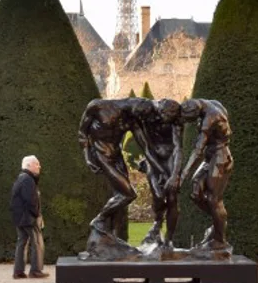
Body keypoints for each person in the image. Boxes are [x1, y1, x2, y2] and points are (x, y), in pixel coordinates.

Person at [174, 99, 234, 252]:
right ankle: (218, 223)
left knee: (214, 200)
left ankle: (220, 240)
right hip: (211, 157)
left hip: (220, 158)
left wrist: (182, 174)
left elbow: (198, 150)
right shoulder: (210, 104)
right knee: (196, 193)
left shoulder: (210, 117)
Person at [77, 98, 141, 236]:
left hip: (117, 156)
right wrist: (88, 158)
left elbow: (143, 142)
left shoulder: (132, 118)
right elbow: (82, 134)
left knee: (119, 197)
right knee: (128, 194)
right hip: (101, 154)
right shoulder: (98, 106)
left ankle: (115, 236)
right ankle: (99, 219)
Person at [129, 98, 183, 248]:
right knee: (158, 196)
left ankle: (169, 239)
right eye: (165, 115)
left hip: (170, 159)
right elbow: (146, 146)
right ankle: (157, 223)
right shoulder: (145, 115)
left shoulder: (175, 120)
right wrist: (160, 171)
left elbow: (178, 148)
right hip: (153, 159)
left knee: (172, 198)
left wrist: (174, 175)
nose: (166, 119)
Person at [10, 155, 47, 279]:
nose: (39, 166)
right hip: (29, 218)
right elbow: (31, 200)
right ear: (29, 165)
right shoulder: (28, 179)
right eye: (36, 164)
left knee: (22, 242)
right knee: (37, 242)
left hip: (20, 218)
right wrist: (37, 215)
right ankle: (36, 271)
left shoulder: (21, 178)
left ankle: (18, 271)